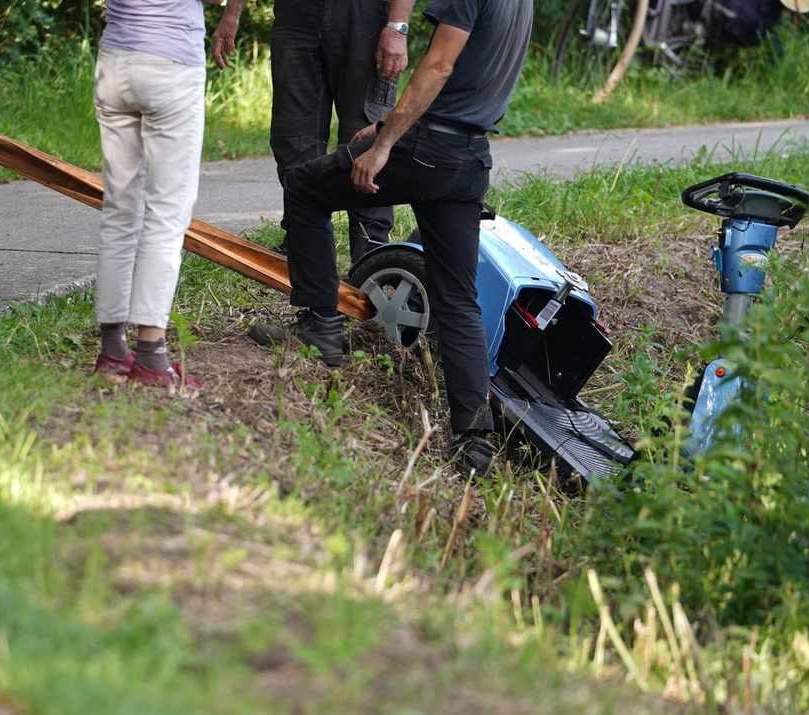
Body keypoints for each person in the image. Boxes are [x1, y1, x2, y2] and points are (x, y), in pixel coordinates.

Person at [264, 0, 533, 477]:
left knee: (304, 190)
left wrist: (385, 144)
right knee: (458, 298)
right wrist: (385, 126)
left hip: (427, 147)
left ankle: (321, 327)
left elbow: (440, 63)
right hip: (470, 157)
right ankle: (475, 443)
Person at [212, 0, 415, 263]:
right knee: (293, 137)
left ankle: (371, 257)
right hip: (296, 15)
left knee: (364, 137)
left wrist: (397, 27)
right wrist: (231, 14)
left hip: (364, 15)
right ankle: (304, 247)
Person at [92, 0, 222, 389]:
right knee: (166, 213)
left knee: (119, 208)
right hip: (171, 65)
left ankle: (113, 350)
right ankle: (150, 355)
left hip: (114, 63)